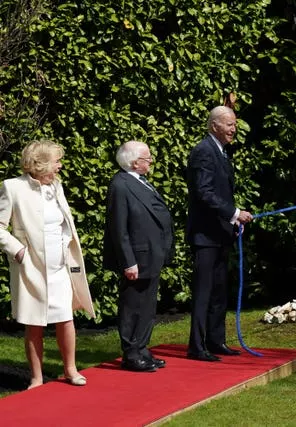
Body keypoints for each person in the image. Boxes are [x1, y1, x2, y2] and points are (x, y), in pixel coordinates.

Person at [0, 140, 95, 389]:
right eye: (56, 161)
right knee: (34, 323)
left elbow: (63, 223)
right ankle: (36, 378)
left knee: (65, 319)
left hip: (59, 266)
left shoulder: (56, 186)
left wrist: (67, 247)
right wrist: (18, 252)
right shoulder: (12, 187)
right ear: (40, 164)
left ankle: (71, 370)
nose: (60, 166)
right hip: (31, 267)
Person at [186, 105, 253, 361]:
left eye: (234, 124)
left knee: (218, 291)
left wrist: (233, 220)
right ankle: (197, 345)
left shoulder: (222, 152)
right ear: (214, 125)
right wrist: (235, 213)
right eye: (229, 125)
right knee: (203, 292)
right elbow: (203, 192)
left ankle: (216, 341)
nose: (233, 129)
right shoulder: (203, 151)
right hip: (205, 236)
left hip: (221, 233)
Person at [103, 141, 174, 372]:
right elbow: (118, 228)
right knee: (133, 305)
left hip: (151, 255)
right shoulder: (120, 185)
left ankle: (142, 348)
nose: (150, 161)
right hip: (137, 258)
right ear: (134, 162)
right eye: (146, 158)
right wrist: (128, 261)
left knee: (147, 306)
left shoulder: (140, 182)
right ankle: (131, 353)